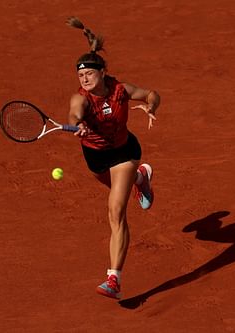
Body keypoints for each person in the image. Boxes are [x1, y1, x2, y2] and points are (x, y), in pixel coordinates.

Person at [65, 17, 160, 300]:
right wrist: (78, 122)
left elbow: (152, 93)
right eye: (80, 76)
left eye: (89, 74)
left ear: (103, 72)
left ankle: (113, 279)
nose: (84, 79)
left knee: (115, 211)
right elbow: (74, 113)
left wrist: (151, 105)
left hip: (124, 153)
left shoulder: (121, 90)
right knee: (121, 189)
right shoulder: (80, 99)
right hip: (95, 159)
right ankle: (141, 177)